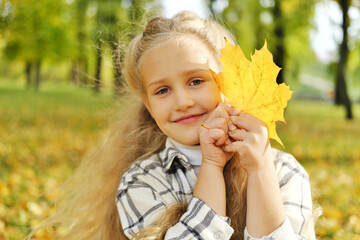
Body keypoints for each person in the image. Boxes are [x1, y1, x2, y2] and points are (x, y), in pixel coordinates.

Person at [30, 11, 316, 240]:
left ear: (230, 80)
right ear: (147, 104)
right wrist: (212, 167)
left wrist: (259, 169)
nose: (182, 101)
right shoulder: (142, 181)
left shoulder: (283, 172)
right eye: (162, 91)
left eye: (196, 81)